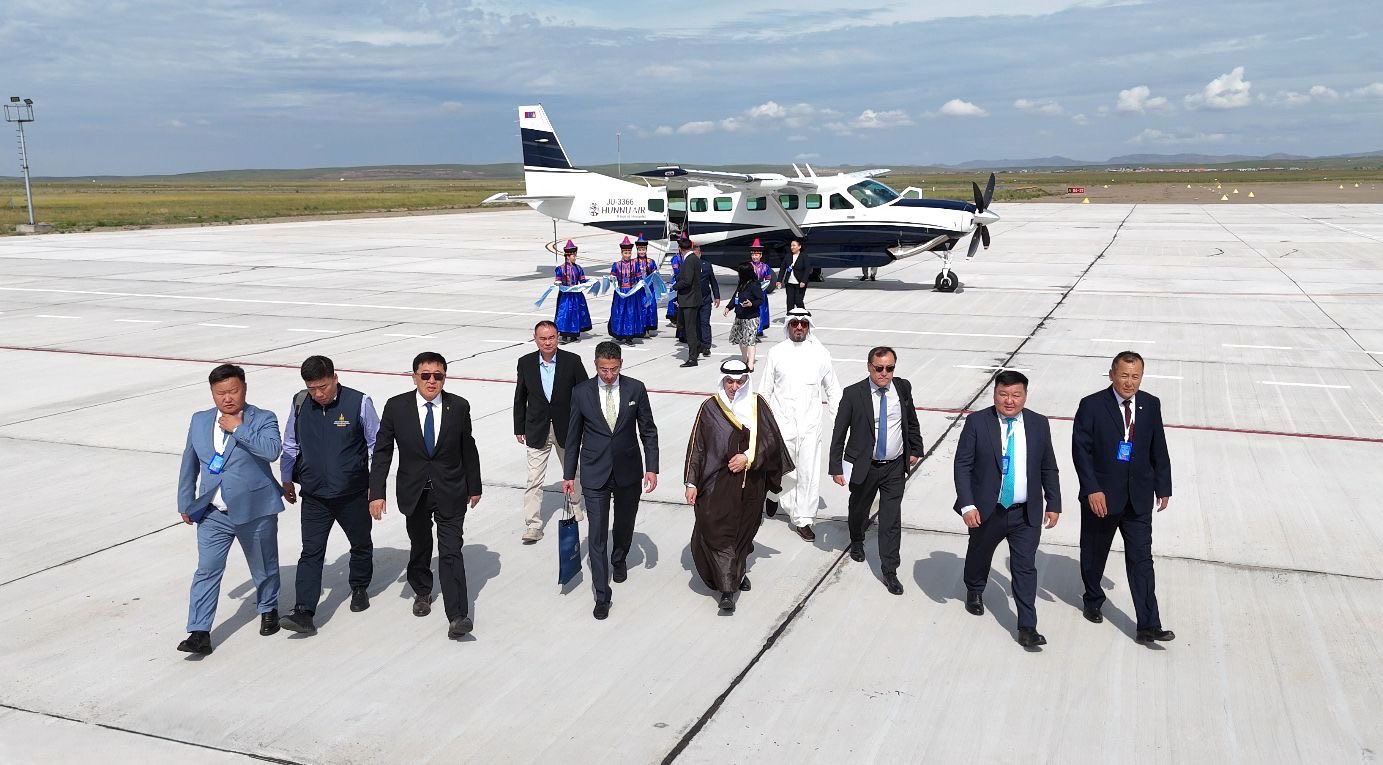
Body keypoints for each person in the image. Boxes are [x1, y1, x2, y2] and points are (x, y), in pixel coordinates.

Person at [369, 352, 482, 640]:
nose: (432, 381)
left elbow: (467, 447)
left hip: (451, 490)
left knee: (451, 550)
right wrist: (376, 492)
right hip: (414, 491)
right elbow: (382, 451)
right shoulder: (396, 407)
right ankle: (422, 591)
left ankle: (458, 615)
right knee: (420, 544)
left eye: (438, 376)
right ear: (414, 377)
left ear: (445, 377)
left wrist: (474, 485)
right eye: (426, 375)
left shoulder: (458, 406)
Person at [175, 364, 283, 655]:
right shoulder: (199, 420)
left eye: (233, 391)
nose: (227, 398)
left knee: (264, 566)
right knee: (207, 570)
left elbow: (272, 451)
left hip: (255, 509)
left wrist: (238, 428)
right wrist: (185, 501)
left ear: (244, 388)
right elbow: (189, 463)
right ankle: (199, 631)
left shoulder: (263, 418)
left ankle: (268, 607)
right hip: (213, 512)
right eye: (220, 393)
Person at [953, 371, 1061, 647]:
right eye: (1003, 394)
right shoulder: (977, 422)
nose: (1009, 401)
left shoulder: (1038, 423)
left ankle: (1027, 626)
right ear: (994, 394)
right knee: (979, 554)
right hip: (988, 510)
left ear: (1025, 396)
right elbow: (962, 465)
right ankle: (974, 588)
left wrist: (1054, 502)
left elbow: (1048, 466)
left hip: (1026, 512)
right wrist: (967, 504)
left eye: (1016, 395)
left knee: (1025, 567)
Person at [1073, 351, 1174, 643]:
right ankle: (1093, 598)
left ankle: (1148, 624)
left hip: (1138, 497)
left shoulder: (1150, 404)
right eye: (1124, 375)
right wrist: (1092, 489)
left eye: (1135, 376)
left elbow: (1158, 447)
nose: (1129, 382)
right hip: (1102, 498)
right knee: (1094, 553)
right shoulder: (1092, 405)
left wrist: (1163, 486)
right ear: (1112, 375)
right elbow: (1081, 451)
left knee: (1142, 559)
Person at [277, 355, 381, 636]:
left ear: (335, 378)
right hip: (314, 495)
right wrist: (286, 478)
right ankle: (304, 611)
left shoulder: (359, 402)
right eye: (312, 388)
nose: (318, 394)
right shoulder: (300, 403)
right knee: (311, 551)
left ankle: (359, 587)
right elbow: (290, 443)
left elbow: (377, 445)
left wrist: (376, 488)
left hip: (353, 493)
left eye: (323, 386)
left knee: (360, 543)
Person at [684, 359, 793, 613]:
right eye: (729, 382)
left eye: (740, 382)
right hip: (716, 486)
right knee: (716, 531)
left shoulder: (758, 405)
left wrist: (748, 457)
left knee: (743, 533)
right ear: (722, 381)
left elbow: (772, 441)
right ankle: (727, 590)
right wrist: (691, 482)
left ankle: (736, 573)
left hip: (750, 485)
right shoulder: (709, 408)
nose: (734, 387)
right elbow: (697, 446)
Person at [563, 341, 659, 620]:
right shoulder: (581, 392)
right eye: (604, 370)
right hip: (595, 472)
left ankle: (619, 558)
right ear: (595, 365)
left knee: (625, 523)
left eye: (614, 369)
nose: (608, 375)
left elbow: (648, 431)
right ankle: (602, 595)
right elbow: (573, 436)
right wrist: (569, 474)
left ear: (621, 364)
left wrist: (652, 468)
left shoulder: (635, 389)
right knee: (596, 534)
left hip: (628, 470)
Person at [829, 347, 924, 595]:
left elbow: (911, 421)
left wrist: (915, 448)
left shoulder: (902, 388)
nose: (884, 373)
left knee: (891, 520)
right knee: (859, 508)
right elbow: (839, 432)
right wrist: (836, 467)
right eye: (879, 368)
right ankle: (857, 539)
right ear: (869, 367)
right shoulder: (853, 394)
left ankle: (890, 570)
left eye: (889, 368)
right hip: (865, 465)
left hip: (894, 466)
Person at [756, 308, 841, 541]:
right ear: (788, 326)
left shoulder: (821, 354)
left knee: (808, 472)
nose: (799, 327)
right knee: (783, 469)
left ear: (809, 326)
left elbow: (833, 389)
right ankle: (774, 493)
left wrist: (839, 421)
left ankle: (803, 519)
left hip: (810, 425)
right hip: (781, 424)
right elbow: (765, 390)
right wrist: (761, 424)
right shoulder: (776, 353)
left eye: (803, 323)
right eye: (794, 323)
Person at [514, 320, 589, 544]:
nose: (547, 342)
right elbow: (520, 397)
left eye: (551, 337)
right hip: (537, 429)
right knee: (534, 479)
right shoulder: (525, 362)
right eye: (543, 338)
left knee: (573, 472)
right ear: (535, 339)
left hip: (567, 428)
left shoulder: (572, 361)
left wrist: (586, 425)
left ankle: (575, 505)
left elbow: (585, 394)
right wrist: (519, 427)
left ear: (557, 337)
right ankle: (533, 525)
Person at [724, 263, 765, 371]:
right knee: (741, 339)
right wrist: (729, 307)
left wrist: (751, 304)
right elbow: (735, 296)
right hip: (740, 315)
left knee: (750, 340)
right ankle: (744, 358)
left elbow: (760, 300)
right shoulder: (741, 284)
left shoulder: (754, 285)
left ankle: (751, 363)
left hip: (751, 317)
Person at [672, 238, 705, 367]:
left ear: (680, 249)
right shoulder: (694, 259)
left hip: (689, 300)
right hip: (691, 299)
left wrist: (675, 286)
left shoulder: (689, 260)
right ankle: (698, 346)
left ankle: (692, 358)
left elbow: (687, 281)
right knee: (684, 326)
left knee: (690, 330)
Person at [553, 240, 592, 344]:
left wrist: (590, 282)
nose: (575, 257)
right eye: (573, 256)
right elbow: (558, 279)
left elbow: (582, 281)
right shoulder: (560, 269)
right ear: (567, 256)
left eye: (575, 255)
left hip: (576, 295)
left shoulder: (578, 268)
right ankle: (564, 334)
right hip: (565, 295)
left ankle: (574, 334)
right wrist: (557, 282)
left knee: (575, 313)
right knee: (565, 313)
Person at [607, 236, 643, 346]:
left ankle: (629, 337)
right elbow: (612, 278)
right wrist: (611, 279)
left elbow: (639, 278)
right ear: (621, 253)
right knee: (620, 312)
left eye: (629, 253)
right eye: (625, 253)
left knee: (630, 313)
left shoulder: (635, 264)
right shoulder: (616, 265)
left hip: (631, 292)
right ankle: (619, 333)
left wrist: (642, 284)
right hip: (620, 293)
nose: (627, 255)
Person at [695, 246, 721, 355]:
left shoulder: (707, 265)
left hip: (705, 299)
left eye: (697, 254)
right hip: (693, 300)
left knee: (704, 322)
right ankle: (698, 344)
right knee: (696, 323)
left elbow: (713, 281)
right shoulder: (687, 266)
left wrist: (717, 296)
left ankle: (706, 345)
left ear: (700, 254)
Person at [775, 237, 811, 310]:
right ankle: (790, 315)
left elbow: (807, 269)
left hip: (800, 283)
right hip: (789, 283)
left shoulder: (804, 256)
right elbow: (782, 268)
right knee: (790, 302)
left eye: (794, 245)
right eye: (791, 245)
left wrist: (803, 281)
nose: (792, 247)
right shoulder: (788, 256)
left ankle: (803, 314)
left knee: (798, 301)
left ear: (799, 246)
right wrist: (779, 280)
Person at [634, 233, 659, 337]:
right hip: (638, 289)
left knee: (649, 307)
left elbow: (656, 275)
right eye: (640, 250)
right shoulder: (633, 262)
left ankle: (647, 328)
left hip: (649, 289)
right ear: (637, 250)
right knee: (639, 307)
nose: (642, 252)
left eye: (643, 249)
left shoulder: (651, 262)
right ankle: (639, 328)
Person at [749, 241, 774, 337]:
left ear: (760, 255)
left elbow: (768, 280)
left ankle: (759, 329)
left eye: (756, 255)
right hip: (750, 292)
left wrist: (760, 289)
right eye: (753, 255)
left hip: (760, 292)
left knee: (761, 310)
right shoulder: (748, 266)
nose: (754, 257)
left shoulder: (765, 267)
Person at [665, 235, 689, 326]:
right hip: (677, 279)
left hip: (686, 280)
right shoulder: (675, 258)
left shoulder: (689, 257)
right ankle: (673, 317)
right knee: (674, 299)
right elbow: (676, 271)